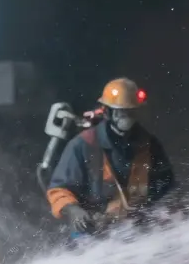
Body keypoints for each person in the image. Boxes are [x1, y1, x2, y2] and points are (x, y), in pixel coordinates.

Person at [45, 78, 176, 235]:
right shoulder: (84, 144)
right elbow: (59, 189)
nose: (126, 117)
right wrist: (74, 210)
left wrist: (166, 214)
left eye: (131, 111)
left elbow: (166, 188)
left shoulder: (149, 146)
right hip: (92, 232)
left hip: (138, 232)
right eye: (121, 112)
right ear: (107, 112)